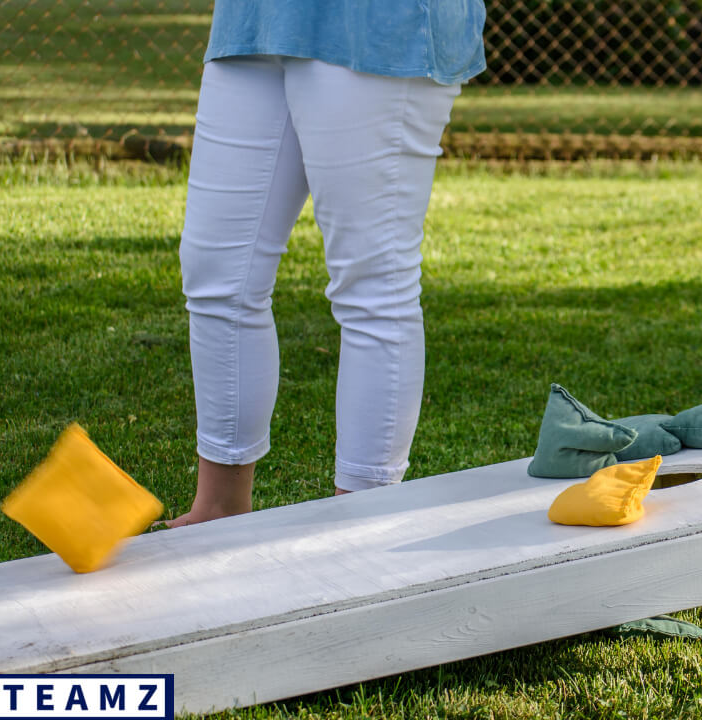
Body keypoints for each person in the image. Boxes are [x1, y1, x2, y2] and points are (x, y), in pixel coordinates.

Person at [162, 2, 487, 527]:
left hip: (375, 23)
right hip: (256, 20)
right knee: (217, 274)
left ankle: (360, 526)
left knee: (372, 284)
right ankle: (218, 510)